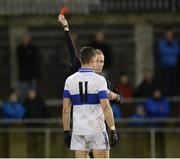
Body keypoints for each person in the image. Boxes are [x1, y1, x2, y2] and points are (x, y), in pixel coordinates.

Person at [62, 47, 119, 158]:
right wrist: (113, 129)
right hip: (96, 131)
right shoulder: (99, 80)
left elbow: (66, 109)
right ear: (92, 60)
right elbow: (106, 107)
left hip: (78, 131)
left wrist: (66, 132)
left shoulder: (69, 80)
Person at [16, 34, 40, 100]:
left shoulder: (33, 48)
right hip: (23, 76)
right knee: (23, 94)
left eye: (26, 39)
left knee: (33, 94)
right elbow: (22, 58)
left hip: (32, 75)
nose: (25, 40)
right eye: (24, 39)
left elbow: (34, 59)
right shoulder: (19, 48)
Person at [159, 28, 179, 96]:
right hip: (165, 67)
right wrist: (171, 51)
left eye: (171, 35)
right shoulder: (162, 43)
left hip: (174, 67)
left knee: (174, 84)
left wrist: (169, 51)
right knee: (166, 84)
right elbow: (163, 52)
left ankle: (173, 95)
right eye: (168, 35)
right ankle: (167, 96)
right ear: (165, 35)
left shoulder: (175, 43)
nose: (169, 36)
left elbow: (177, 52)